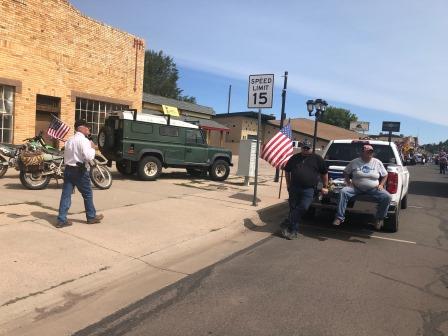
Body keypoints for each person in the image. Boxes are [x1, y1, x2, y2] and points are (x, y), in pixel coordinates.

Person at [56, 120, 104, 228]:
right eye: (87, 127)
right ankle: (91, 217)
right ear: (81, 128)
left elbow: (66, 155)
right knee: (87, 194)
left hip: (68, 169)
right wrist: (92, 148)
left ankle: (61, 219)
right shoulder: (84, 141)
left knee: (66, 195)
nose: (89, 129)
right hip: (80, 171)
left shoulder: (69, 140)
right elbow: (88, 157)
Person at [333, 144, 391, 230]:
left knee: (387, 197)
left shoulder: (377, 162)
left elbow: (385, 175)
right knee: (343, 192)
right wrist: (348, 182)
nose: (370, 153)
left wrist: (381, 184)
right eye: (367, 152)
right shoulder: (355, 162)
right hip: (356, 188)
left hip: (373, 189)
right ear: (362, 153)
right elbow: (345, 172)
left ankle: (379, 219)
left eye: (371, 152)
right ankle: (339, 218)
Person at [282, 139, 329, 240]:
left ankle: (288, 221)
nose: (306, 149)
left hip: (309, 189)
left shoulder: (318, 159)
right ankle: (293, 230)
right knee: (293, 208)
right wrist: (288, 184)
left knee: (304, 207)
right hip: (294, 187)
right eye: (304, 147)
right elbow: (287, 171)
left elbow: (324, 173)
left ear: (311, 148)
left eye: (308, 148)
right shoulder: (294, 158)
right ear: (301, 147)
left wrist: (325, 186)